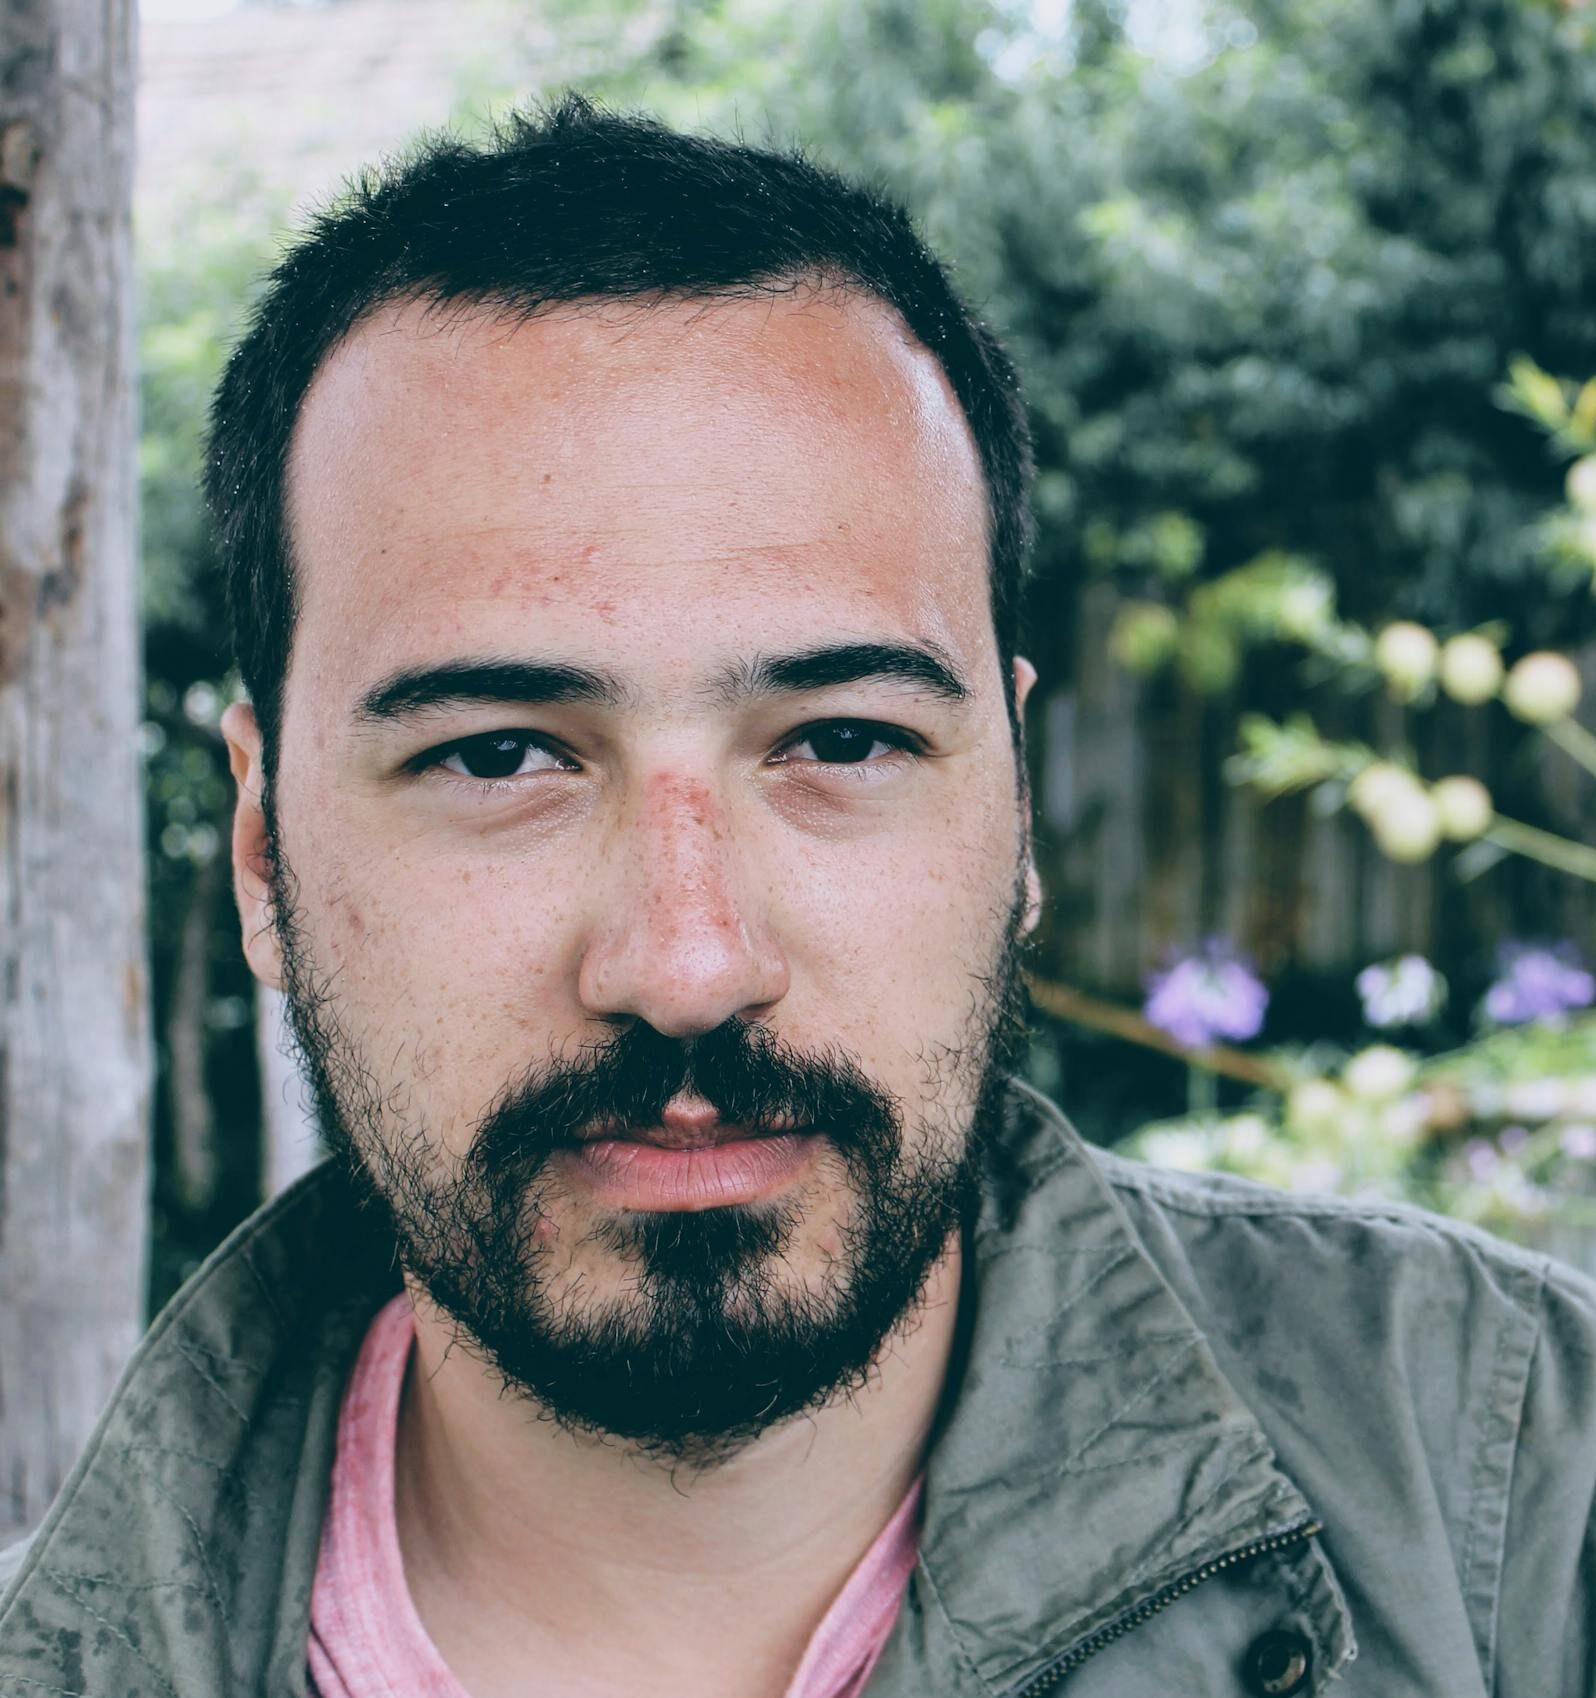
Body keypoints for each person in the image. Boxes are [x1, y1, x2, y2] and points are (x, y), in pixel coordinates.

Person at [1, 92, 1592, 1698]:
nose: (688, 961)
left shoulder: (1529, 1507)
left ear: (1019, 806)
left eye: (841, 739)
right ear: (265, 851)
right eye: (498, 757)